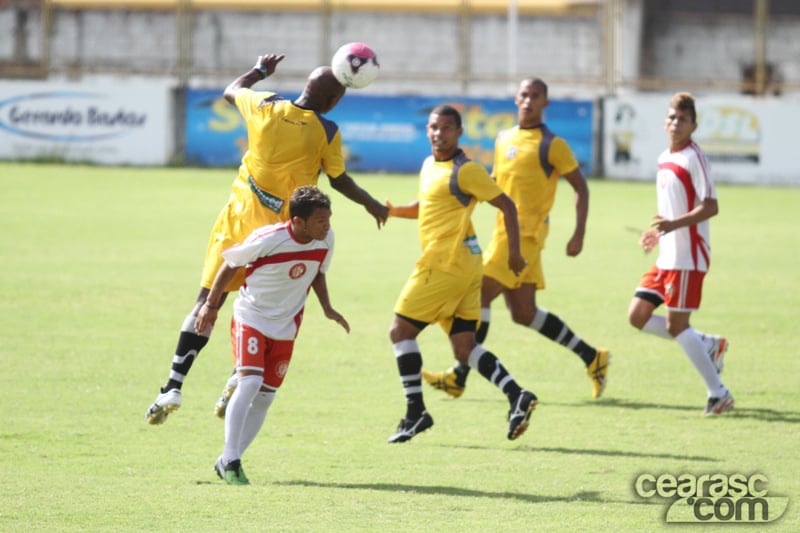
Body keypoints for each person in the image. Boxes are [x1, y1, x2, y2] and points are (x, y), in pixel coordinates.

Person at [145, 53, 388, 425]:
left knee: (206, 302)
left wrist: (259, 71)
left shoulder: (265, 104)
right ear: (334, 101)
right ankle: (238, 377)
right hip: (280, 239)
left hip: (237, 224)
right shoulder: (326, 131)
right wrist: (371, 203)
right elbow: (338, 179)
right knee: (269, 312)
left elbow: (232, 90)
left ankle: (173, 386)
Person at [422, 78, 610, 400]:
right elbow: (497, 182)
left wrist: (578, 233)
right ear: (516, 98)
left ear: (545, 103)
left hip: (525, 237)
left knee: (477, 296)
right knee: (524, 313)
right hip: (502, 231)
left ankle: (459, 374)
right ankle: (593, 356)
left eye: (536, 96)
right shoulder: (503, 138)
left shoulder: (552, 144)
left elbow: (581, 186)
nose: (528, 101)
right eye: (524, 95)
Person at [385, 104, 537, 443]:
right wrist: (394, 211)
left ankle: (415, 412)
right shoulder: (429, 165)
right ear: (427, 130)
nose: (439, 133)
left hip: (444, 266)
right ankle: (517, 395)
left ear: (459, 133)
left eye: (447, 128)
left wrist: (513, 253)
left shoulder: (465, 170)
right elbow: (427, 206)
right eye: (433, 127)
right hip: (466, 267)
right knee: (464, 347)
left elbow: (507, 205)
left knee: (400, 331)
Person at [196, 186, 348, 484]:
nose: (327, 225)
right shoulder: (269, 239)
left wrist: (328, 307)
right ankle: (231, 460)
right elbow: (229, 264)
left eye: (328, 219)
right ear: (298, 221)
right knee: (250, 381)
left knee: (266, 397)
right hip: (251, 317)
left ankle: (227, 458)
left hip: (287, 326)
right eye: (320, 220)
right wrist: (210, 307)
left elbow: (318, 272)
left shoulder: (326, 239)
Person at [627, 91, 732, 416]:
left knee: (676, 325)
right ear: (665, 121)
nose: (675, 123)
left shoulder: (693, 158)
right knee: (637, 316)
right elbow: (669, 211)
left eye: (683, 119)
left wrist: (674, 224)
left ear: (693, 125)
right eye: (672, 117)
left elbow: (710, 206)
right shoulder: (664, 158)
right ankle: (708, 344)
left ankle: (719, 394)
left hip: (689, 257)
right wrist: (658, 232)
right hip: (667, 255)